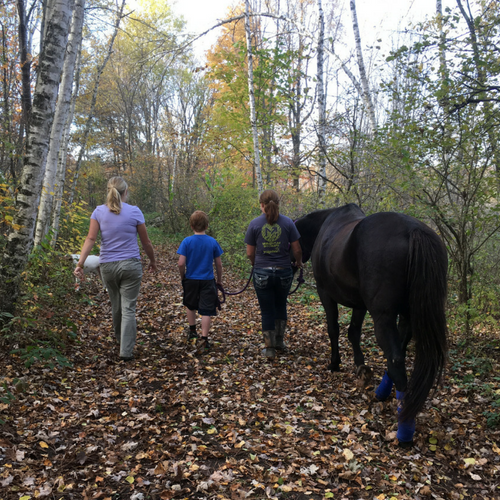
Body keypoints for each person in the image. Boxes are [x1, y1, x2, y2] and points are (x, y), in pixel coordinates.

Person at [74, 176, 157, 362]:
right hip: (130, 265)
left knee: (116, 305)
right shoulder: (135, 212)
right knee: (128, 308)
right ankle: (125, 350)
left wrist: (80, 264)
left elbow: (90, 239)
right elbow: (146, 242)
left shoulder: (98, 212)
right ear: (125, 192)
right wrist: (153, 261)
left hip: (108, 266)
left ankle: (121, 340)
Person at [245, 190, 303, 358]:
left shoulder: (254, 224)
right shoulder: (288, 223)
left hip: (262, 272)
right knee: (280, 305)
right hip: (284, 272)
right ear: (278, 204)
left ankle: (269, 348)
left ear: (261, 205)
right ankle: (279, 342)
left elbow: (250, 253)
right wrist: (298, 263)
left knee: (267, 310)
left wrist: (256, 265)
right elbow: (297, 249)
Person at [177, 211, 223, 351]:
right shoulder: (212, 242)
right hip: (207, 280)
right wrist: (219, 280)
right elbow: (219, 264)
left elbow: (180, 263)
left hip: (191, 279)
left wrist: (183, 277)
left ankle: (192, 332)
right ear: (207, 225)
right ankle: (204, 339)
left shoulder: (187, 241)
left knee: (190, 305)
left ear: (191, 226)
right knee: (206, 310)